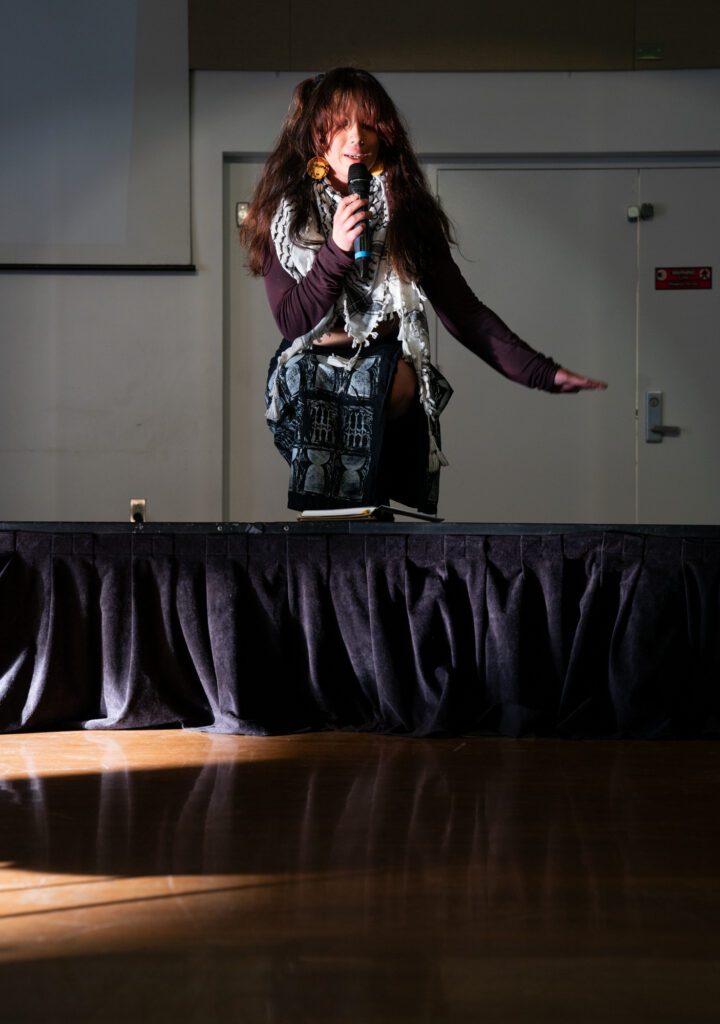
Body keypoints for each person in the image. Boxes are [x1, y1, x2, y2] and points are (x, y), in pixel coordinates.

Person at [240, 68, 606, 514]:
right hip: (311, 380)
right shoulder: (287, 218)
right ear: (318, 136)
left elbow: (464, 312)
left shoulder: (404, 212)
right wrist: (337, 249)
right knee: (335, 398)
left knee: (390, 381)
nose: (357, 137)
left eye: (369, 123)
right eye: (341, 124)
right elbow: (293, 322)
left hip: (385, 379)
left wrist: (542, 373)